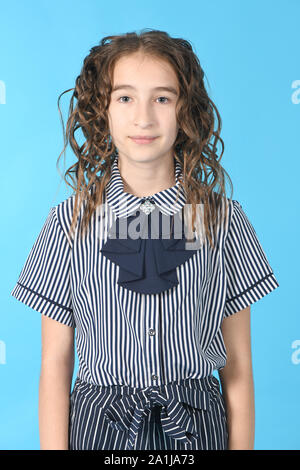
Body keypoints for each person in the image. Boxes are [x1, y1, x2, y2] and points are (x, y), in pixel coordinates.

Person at [10, 29, 279, 451]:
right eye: (125, 98)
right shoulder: (70, 223)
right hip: (100, 426)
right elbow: (56, 363)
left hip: (197, 426)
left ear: (186, 111)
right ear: (103, 111)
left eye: (162, 98)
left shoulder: (222, 220)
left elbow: (239, 366)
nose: (144, 118)